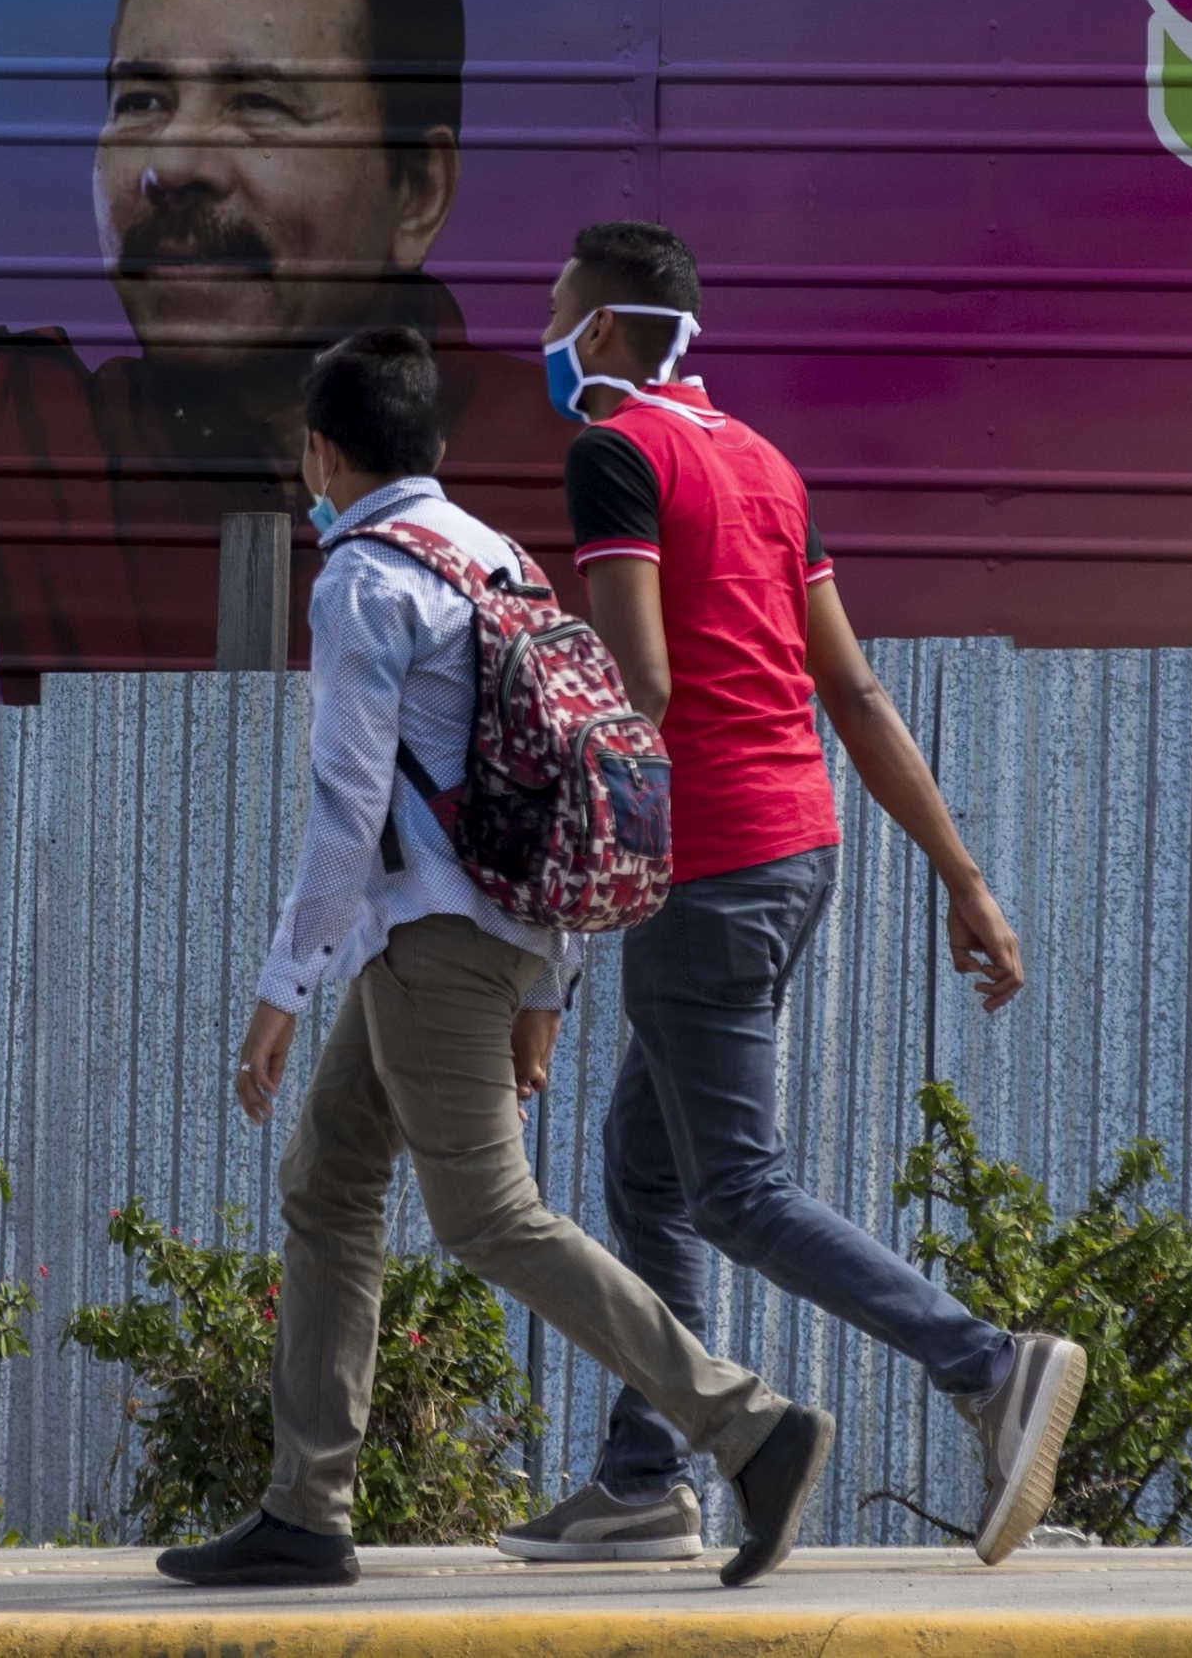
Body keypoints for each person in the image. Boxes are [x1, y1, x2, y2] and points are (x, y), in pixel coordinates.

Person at [156, 326, 834, 1593]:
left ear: (321, 450)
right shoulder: (495, 557)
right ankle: (306, 1506)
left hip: (425, 943)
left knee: (493, 1219)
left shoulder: (364, 577)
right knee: (328, 1181)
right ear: (438, 446)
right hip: (476, 937)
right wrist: (547, 977)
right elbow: (565, 773)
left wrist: (277, 992)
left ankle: (750, 1425)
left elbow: (348, 806)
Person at [501, 221, 1084, 1568]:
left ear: (596, 331)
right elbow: (856, 691)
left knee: (737, 1189)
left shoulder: (612, 453)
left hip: (701, 863)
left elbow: (635, 689)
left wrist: (552, 930)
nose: (540, 327)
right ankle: (646, 1473)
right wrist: (964, 877)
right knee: (646, 1163)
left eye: (552, 306)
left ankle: (986, 1364)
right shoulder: (762, 461)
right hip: (793, 847)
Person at [0, 0, 563, 681]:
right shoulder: (0, 452)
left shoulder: (562, 486)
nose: (173, 163)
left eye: (259, 103)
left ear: (416, 192)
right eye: (141, 100)